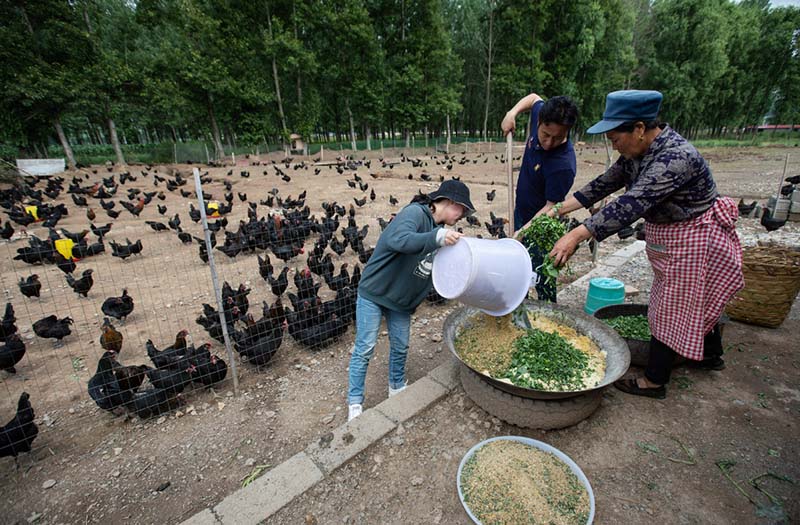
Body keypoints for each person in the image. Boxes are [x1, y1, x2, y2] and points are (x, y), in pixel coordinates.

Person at [547, 90, 744, 399]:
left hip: (693, 239)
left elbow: (630, 204)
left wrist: (574, 236)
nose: (614, 145)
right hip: (671, 237)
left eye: (615, 138)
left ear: (639, 128)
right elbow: (603, 184)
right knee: (695, 298)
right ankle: (709, 356)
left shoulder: (675, 158)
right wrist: (557, 210)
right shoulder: (636, 153)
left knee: (669, 307)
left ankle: (654, 381)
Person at [347, 179, 475, 420]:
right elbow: (399, 240)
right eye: (462, 209)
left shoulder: (442, 233)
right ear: (449, 202)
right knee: (365, 347)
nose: (463, 215)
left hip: (401, 301)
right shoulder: (415, 213)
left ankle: (396, 388)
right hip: (375, 292)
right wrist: (437, 237)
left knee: (401, 345)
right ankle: (355, 403)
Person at [501, 93, 579, 302]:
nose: (549, 143)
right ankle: (519, 307)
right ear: (539, 122)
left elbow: (551, 207)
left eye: (558, 137)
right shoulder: (541, 112)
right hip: (521, 211)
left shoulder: (563, 165)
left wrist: (523, 232)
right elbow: (534, 98)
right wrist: (512, 113)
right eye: (545, 134)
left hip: (542, 226)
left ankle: (548, 311)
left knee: (542, 275)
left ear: (568, 131)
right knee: (518, 269)